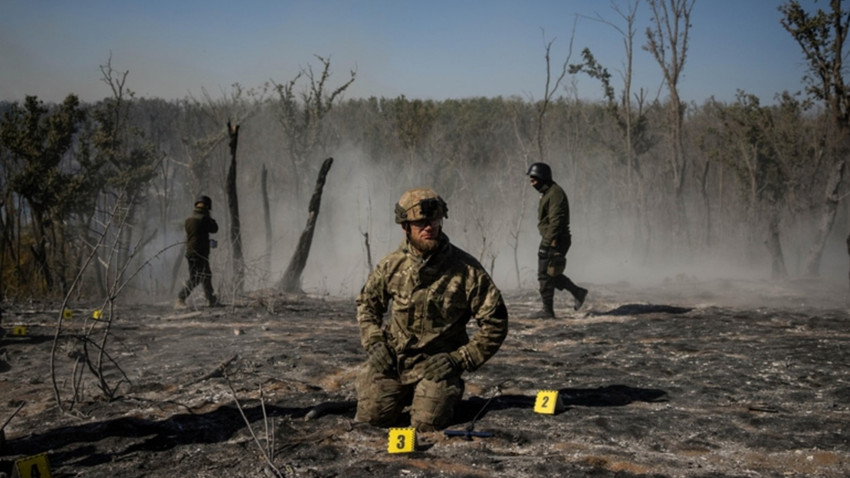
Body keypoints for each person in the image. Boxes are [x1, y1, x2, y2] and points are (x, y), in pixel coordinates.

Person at [354, 187, 509, 432]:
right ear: (405, 227)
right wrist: (374, 342)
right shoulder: (391, 265)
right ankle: (404, 394)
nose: (430, 227)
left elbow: (496, 322)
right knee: (371, 420)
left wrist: (458, 360)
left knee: (427, 424)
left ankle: (441, 395)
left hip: (438, 366)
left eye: (434, 221)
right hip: (396, 361)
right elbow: (367, 305)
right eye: (421, 223)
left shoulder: (467, 270)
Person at [527, 162, 588, 318]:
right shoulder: (547, 193)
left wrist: (546, 244)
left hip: (556, 239)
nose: (531, 183)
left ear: (542, 178)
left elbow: (556, 222)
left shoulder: (555, 193)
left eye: (534, 179)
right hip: (553, 238)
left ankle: (548, 311)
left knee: (544, 275)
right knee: (551, 274)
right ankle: (578, 292)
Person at [175, 195, 220, 309]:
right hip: (199, 252)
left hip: (193, 251)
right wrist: (210, 218)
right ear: (207, 207)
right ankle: (180, 298)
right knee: (196, 278)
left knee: (206, 276)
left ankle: (210, 299)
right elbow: (214, 228)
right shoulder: (203, 218)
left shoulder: (190, 218)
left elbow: (197, 235)